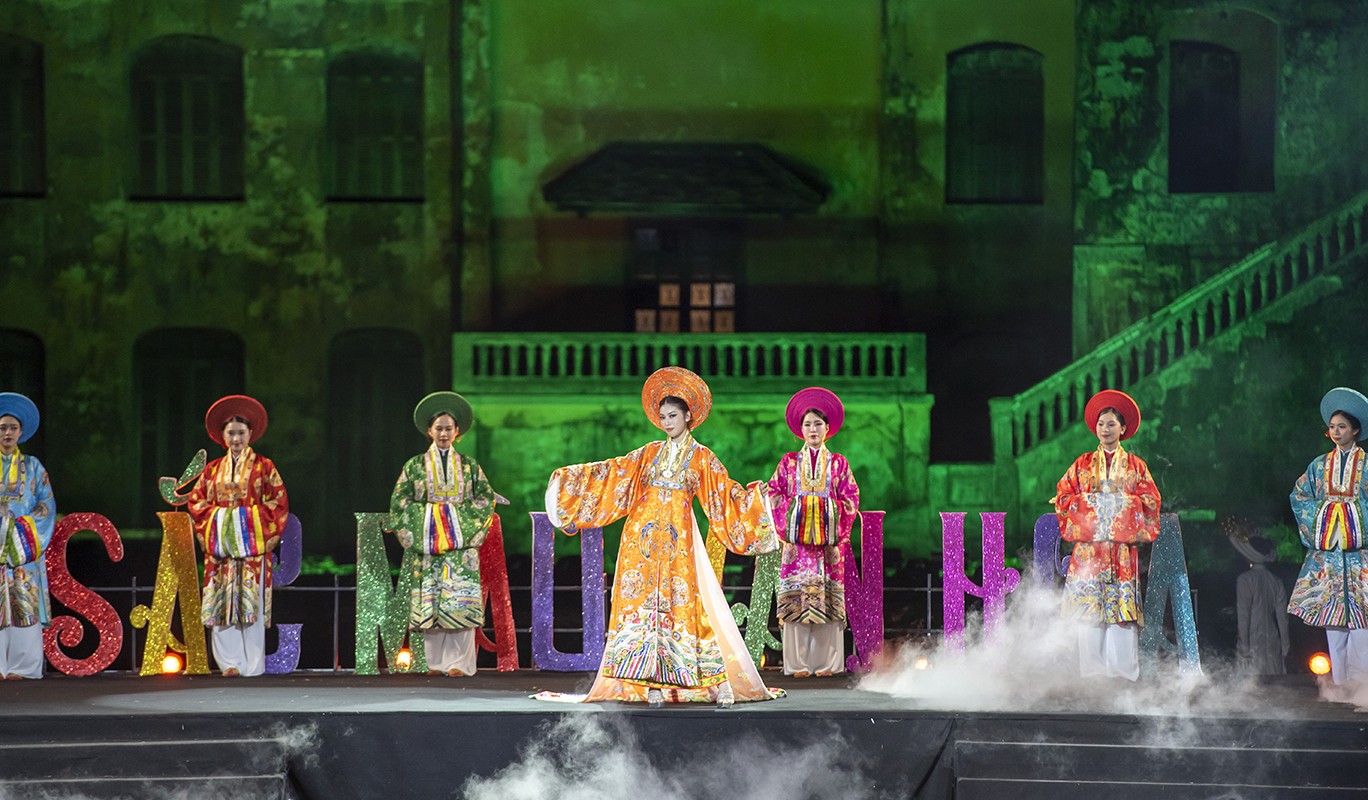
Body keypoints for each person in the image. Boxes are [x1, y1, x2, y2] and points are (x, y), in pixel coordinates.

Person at [545, 366, 779, 707]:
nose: (667, 422)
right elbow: (613, 475)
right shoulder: (648, 453)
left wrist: (756, 500)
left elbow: (723, 495)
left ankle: (719, 682)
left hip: (679, 542)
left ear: (688, 416)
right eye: (663, 416)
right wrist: (571, 481)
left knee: (690, 607)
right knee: (643, 609)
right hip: (640, 543)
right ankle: (651, 684)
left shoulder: (702, 458)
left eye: (673, 416)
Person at [1053, 389, 1161, 681]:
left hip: (1121, 553)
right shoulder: (1082, 464)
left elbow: (1151, 503)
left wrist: (1118, 509)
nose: (1105, 429)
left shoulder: (1137, 466)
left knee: (1121, 614)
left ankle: (1123, 674)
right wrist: (1095, 506)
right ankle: (1093, 677)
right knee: (1089, 613)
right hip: (1089, 553)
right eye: (1101, 424)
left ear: (1123, 428)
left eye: (1111, 424)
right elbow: (1062, 498)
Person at [389, 391, 497, 677]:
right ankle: (435, 663)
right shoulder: (414, 466)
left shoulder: (470, 466)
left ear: (457, 431)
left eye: (449, 428)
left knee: (459, 603)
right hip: (429, 547)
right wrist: (432, 519)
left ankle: (460, 663)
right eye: (439, 428)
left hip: (460, 548)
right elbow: (400, 503)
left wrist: (452, 520)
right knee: (432, 603)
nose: (444, 433)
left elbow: (485, 500)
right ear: (429, 431)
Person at [187, 395, 289, 677]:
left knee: (250, 602)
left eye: (241, 433)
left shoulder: (264, 467)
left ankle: (252, 665)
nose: (236, 439)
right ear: (222, 436)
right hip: (221, 551)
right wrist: (222, 520)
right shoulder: (211, 471)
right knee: (222, 604)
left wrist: (241, 522)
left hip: (252, 550)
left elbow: (278, 503)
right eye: (231, 433)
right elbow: (196, 503)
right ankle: (228, 663)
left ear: (250, 434)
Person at [767, 387, 860, 677]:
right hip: (796, 550)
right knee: (796, 604)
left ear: (827, 428)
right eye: (807, 424)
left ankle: (827, 664)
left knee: (828, 603)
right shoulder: (788, 462)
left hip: (827, 550)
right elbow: (773, 495)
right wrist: (801, 510)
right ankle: (797, 664)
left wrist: (820, 511)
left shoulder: (839, 463)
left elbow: (851, 500)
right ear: (801, 430)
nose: (812, 429)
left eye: (818, 424)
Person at [1288, 386, 1368, 687]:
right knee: (1333, 622)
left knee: (1362, 621)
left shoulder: (1367, 467)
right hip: (1330, 554)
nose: (1335, 431)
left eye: (1342, 426)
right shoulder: (1319, 466)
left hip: (1361, 557)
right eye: (1332, 426)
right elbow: (1299, 496)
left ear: (1355, 430)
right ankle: (1339, 687)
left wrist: (1350, 516)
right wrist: (1329, 514)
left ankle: (1361, 688)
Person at [0, 393, 55, 679]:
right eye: (2, 428)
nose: (7, 433)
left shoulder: (33, 467)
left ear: (21, 432)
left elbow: (47, 505)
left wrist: (19, 531)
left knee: (23, 606)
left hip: (23, 549)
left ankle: (22, 667)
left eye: (13, 428)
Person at [1224, 520, 1289, 675]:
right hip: (1273, 640)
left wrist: (1244, 645)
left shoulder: (1245, 579)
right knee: (1276, 682)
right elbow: (1282, 618)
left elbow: (1243, 613)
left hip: (1252, 639)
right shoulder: (1276, 581)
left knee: (1253, 684)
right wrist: (1285, 645)